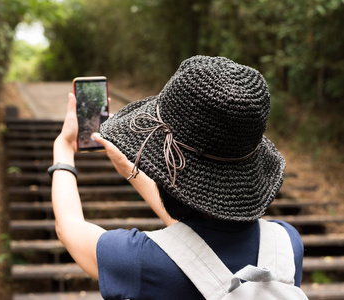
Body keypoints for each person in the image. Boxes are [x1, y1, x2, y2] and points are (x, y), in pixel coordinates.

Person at [50, 56, 304, 299]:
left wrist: (63, 145)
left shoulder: (139, 261)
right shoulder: (286, 244)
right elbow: (195, 249)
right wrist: (130, 169)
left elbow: (68, 227)